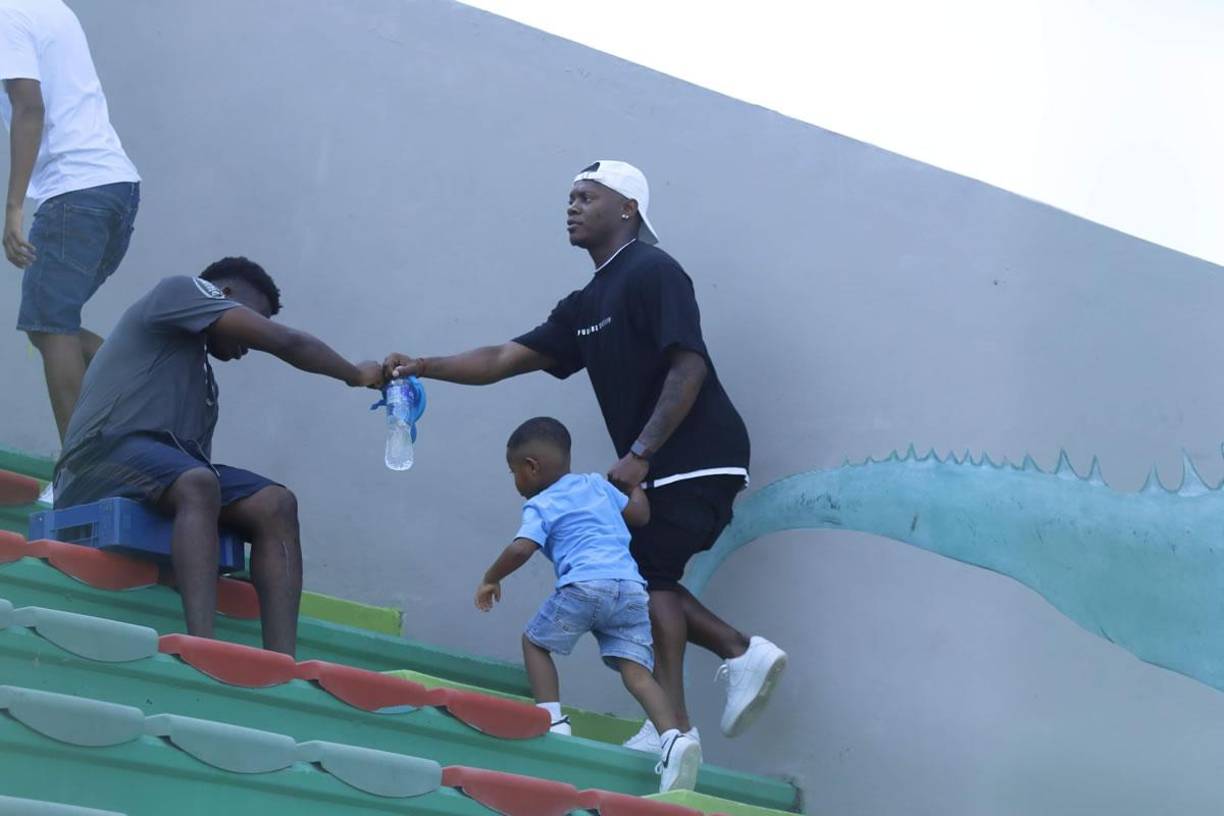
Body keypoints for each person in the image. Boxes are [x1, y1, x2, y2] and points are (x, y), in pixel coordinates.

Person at [385, 160, 786, 752]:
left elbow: (690, 364)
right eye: (570, 197)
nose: (572, 207)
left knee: (647, 577)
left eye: (586, 197)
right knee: (646, 577)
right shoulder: (585, 304)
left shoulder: (654, 270)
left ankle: (686, 709)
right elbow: (502, 358)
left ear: (628, 208)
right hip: (661, 462)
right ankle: (711, 681)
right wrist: (422, 366)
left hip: (697, 452)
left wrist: (642, 452)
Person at [53, 257, 383, 655]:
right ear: (222, 295)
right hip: (94, 460)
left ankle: (280, 662)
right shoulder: (179, 290)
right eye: (255, 319)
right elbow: (286, 342)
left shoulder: (204, 386)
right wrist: (354, 373)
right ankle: (202, 648)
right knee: (198, 481)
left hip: (159, 471)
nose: (249, 346)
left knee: (275, 504)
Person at [476, 416, 701, 792]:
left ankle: (551, 719)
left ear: (531, 467)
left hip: (584, 586)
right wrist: (632, 485)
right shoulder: (597, 486)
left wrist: (491, 577)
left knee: (535, 642)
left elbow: (521, 549)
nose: (515, 482)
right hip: (631, 590)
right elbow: (640, 515)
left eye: (514, 472)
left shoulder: (542, 503)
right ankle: (673, 739)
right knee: (638, 673)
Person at [2, 0, 142, 449]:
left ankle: (81, 469)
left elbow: (29, 107)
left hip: (75, 192)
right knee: (48, 326)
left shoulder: (6, 15)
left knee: (51, 326)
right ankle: (147, 379)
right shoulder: (51, 10)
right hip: (115, 188)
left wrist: (13, 207)